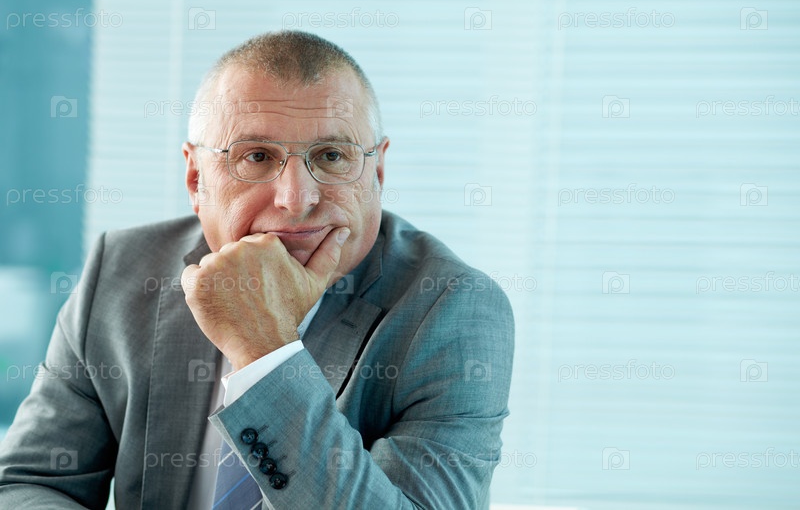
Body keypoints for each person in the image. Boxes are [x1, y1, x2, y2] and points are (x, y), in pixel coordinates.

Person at [0, 30, 514, 509]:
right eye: (258, 157)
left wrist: (264, 353)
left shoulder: (455, 309)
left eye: (331, 155)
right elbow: (30, 484)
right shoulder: (121, 269)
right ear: (196, 179)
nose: (296, 199)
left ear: (377, 171)